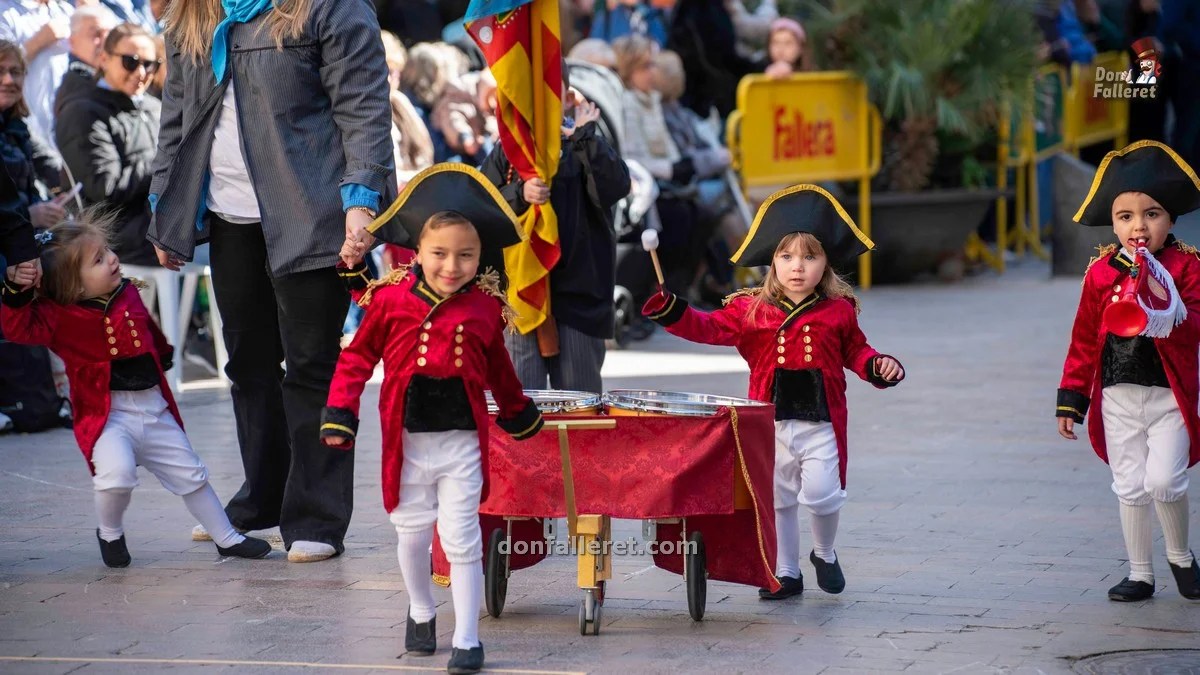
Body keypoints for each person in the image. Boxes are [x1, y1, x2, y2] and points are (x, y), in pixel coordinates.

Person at [148, 0, 396, 564]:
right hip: (231, 215)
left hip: (313, 212)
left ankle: (316, 516)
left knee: (312, 367)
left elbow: (364, 110)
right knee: (248, 364)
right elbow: (177, 114)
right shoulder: (195, 11)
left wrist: (361, 200)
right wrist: (166, 201)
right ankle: (262, 499)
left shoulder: (331, 8)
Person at [322, 166, 543, 675]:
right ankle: (421, 610)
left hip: (464, 443)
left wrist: (516, 412)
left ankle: (467, 636)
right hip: (407, 445)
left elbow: (500, 369)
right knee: (413, 534)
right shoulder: (391, 300)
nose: (452, 266)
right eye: (440, 254)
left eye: (466, 255)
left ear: (480, 257)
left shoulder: (487, 308)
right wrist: (340, 411)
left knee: (463, 535)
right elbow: (356, 359)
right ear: (416, 253)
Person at [643, 184, 905, 599]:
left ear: (826, 265)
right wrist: (673, 308)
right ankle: (786, 572)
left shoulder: (838, 310)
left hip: (822, 422)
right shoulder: (749, 309)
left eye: (809, 256)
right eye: (786, 256)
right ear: (772, 262)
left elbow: (857, 351)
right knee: (778, 499)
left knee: (823, 494)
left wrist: (878, 366)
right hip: (770, 422)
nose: (797, 267)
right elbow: (708, 327)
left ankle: (825, 552)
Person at [0, 211, 272, 567]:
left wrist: (164, 352)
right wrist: (17, 291)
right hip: (108, 416)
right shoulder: (59, 316)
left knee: (191, 474)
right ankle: (110, 532)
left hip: (153, 407)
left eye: (108, 250)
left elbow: (147, 328)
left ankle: (226, 537)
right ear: (73, 285)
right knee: (116, 476)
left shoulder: (125, 291)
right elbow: (18, 329)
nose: (112, 258)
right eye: (98, 260)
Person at [1056, 140, 1200, 602]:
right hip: (1117, 397)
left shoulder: (1186, 267)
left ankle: (1180, 555)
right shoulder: (1101, 272)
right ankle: (1141, 572)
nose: (1139, 226)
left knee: (1165, 480)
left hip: (1169, 397)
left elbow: (1197, 324)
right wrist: (1071, 400)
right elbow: (1082, 340)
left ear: (1171, 219)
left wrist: (1168, 306)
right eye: (1125, 217)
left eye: (1152, 214)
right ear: (1114, 223)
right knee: (1131, 485)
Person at [479, 68, 631, 394]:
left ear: (566, 94)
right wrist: (520, 194)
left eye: (551, 88)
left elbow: (615, 186)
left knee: (579, 405)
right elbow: (482, 204)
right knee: (521, 404)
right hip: (520, 294)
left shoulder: (584, 139)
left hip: (578, 295)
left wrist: (585, 136)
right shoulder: (510, 149)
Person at [56, 22, 161, 271]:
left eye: (150, 64)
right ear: (103, 58)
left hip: (155, 222)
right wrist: (164, 162)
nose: (141, 72)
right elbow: (106, 187)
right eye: (131, 61)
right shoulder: (82, 111)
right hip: (113, 236)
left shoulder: (154, 106)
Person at [0, 39, 65, 230]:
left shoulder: (17, 127)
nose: (9, 80)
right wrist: (28, 215)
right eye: (0, 71)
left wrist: (49, 206)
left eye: (15, 72)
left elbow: (46, 166)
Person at [54, 4, 119, 119]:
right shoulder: (74, 90)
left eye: (110, 35)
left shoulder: (117, 77)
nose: (105, 42)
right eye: (96, 34)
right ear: (72, 41)